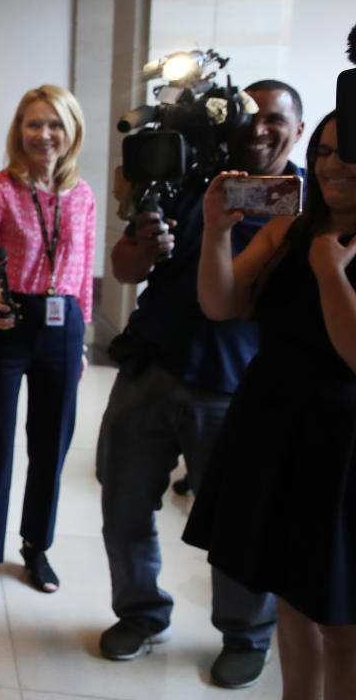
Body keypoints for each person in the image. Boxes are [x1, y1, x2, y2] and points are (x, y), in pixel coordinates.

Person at [95, 80, 305, 688]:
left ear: (298, 127)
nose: (260, 129)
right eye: (250, 118)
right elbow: (126, 268)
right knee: (124, 503)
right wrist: (141, 243)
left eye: (276, 120)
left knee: (238, 521)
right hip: (152, 369)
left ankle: (245, 632)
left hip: (238, 385)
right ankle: (140, 612)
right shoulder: (196, 179)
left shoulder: (302, 203)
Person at [185, 111, 356, 700]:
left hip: (342, 444)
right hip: (276, 425)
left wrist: (332, 274)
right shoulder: (289, 228)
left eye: (349, 150)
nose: (335, 164)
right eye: (327, 150)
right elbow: (220, 303)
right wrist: (214, 232)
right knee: (289, 598)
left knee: (341, 617)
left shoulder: (331, 249)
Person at [0, 85, 96, 622]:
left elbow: (83, 274)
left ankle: (36, 548)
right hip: (7, 320)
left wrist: (81, 340)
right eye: (33, 125)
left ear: (71, 131)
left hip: (64, 325)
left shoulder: (80, 194)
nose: (44, 135)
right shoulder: (1, 188)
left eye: (54, 124)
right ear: (20, 131)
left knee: (51, 447)